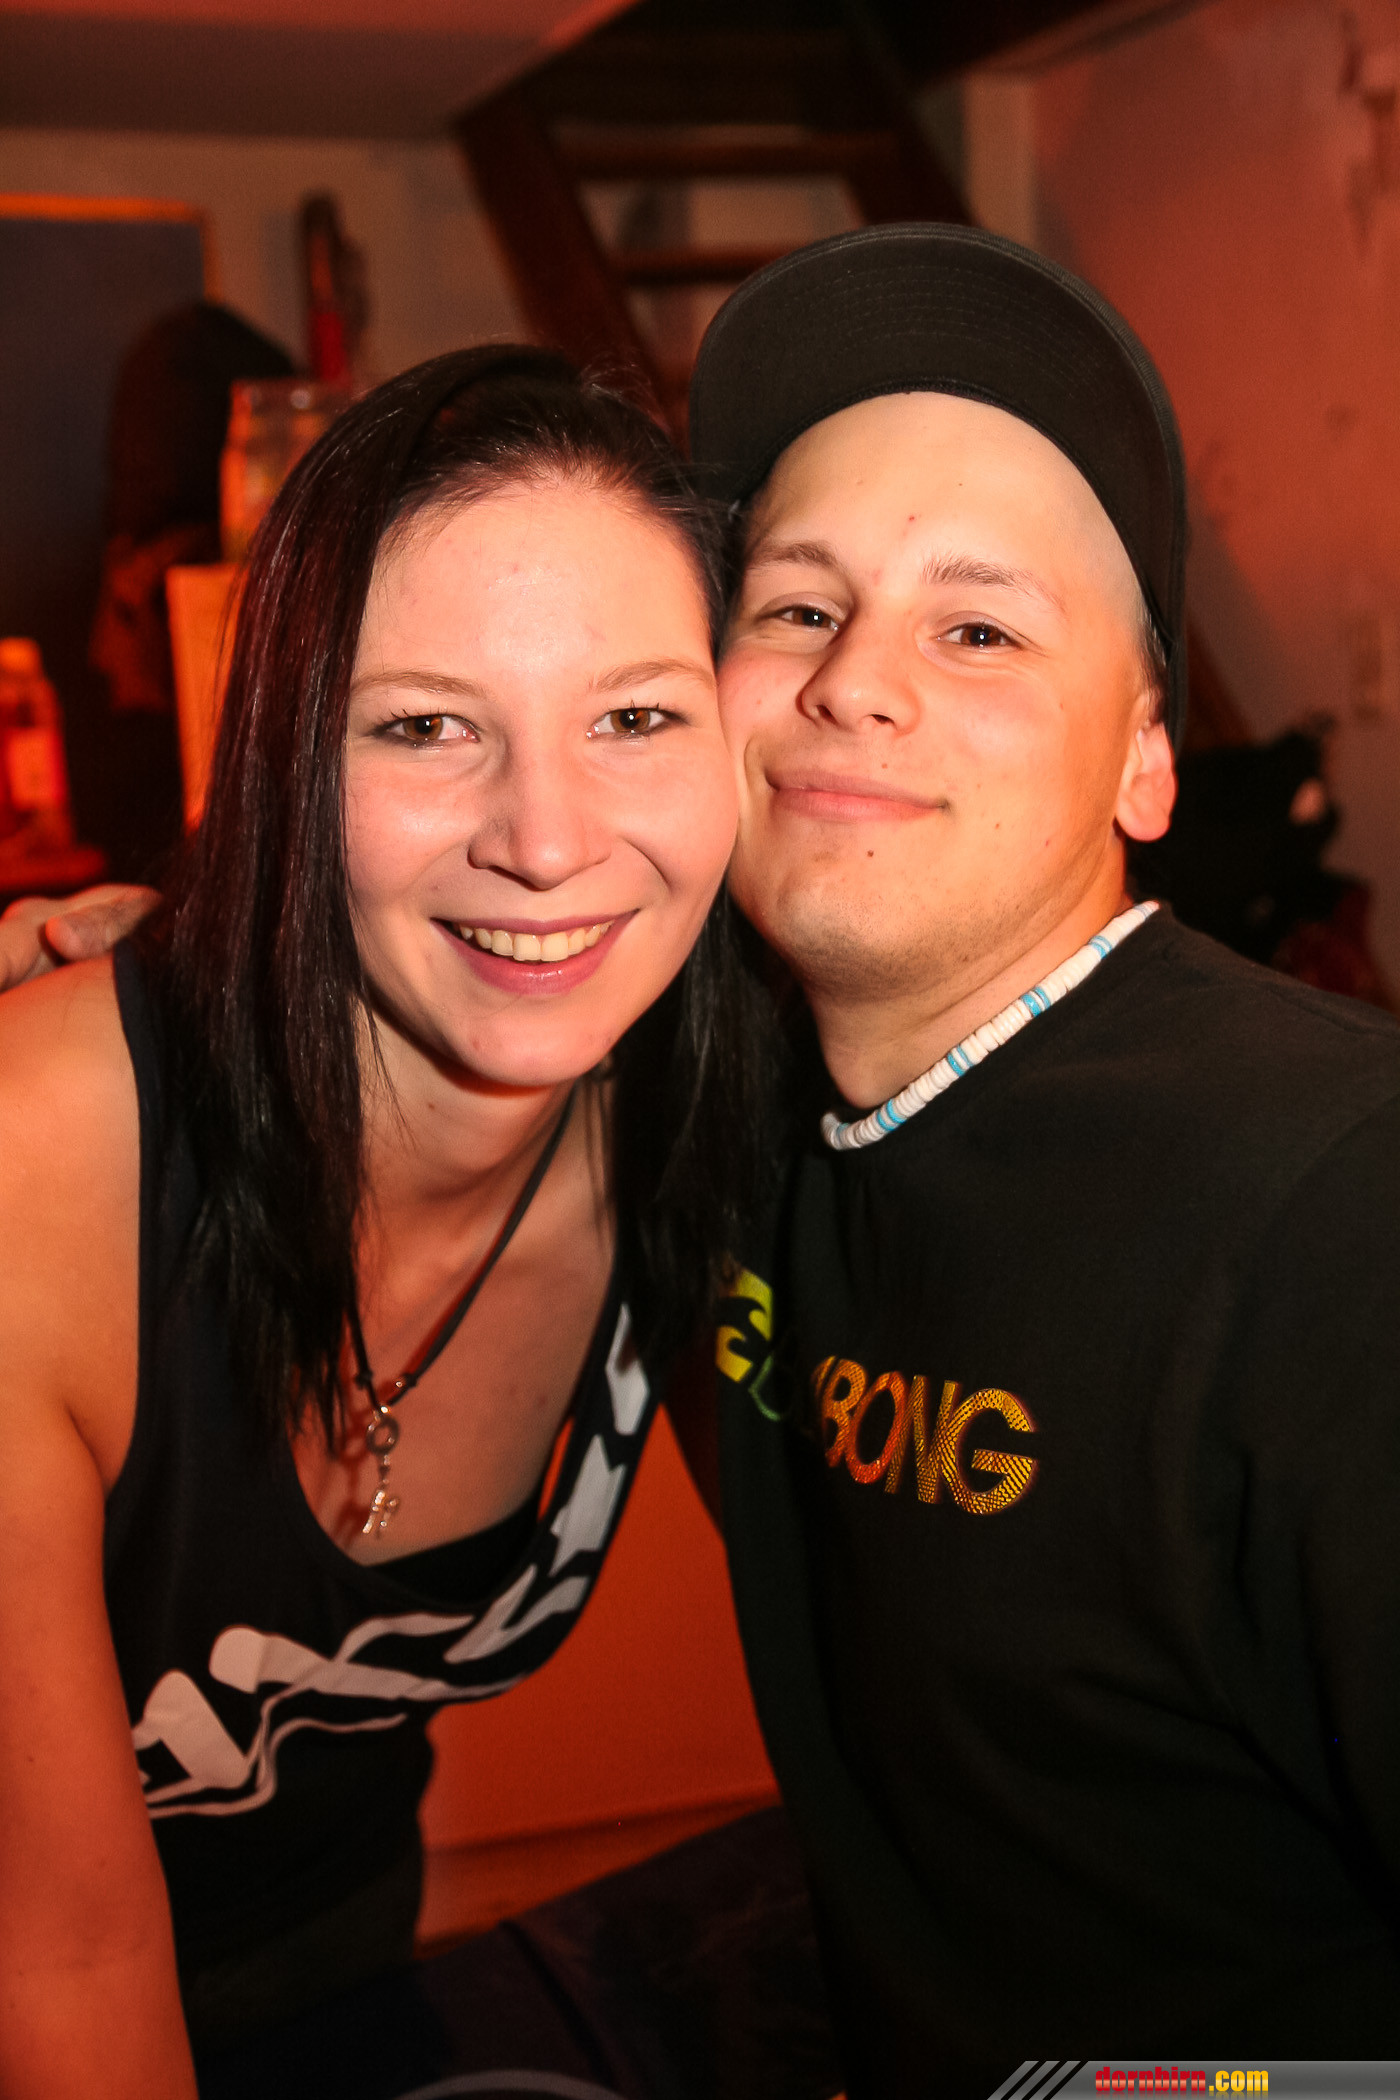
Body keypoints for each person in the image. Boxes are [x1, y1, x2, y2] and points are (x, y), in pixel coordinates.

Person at [685, 226, 1400, 2091]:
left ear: (1146, 766)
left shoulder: (1345, 1216)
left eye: (980, 627)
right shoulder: (694, 1100)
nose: (856, 682)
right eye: (797, 606)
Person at [0, 344, 755, 2096]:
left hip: (339, 1976)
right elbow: (62, 1967)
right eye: (424, 726)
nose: (547, 841)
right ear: (281, 760)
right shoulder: (45, 1165)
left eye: (635, 718)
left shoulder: (716, 1136)